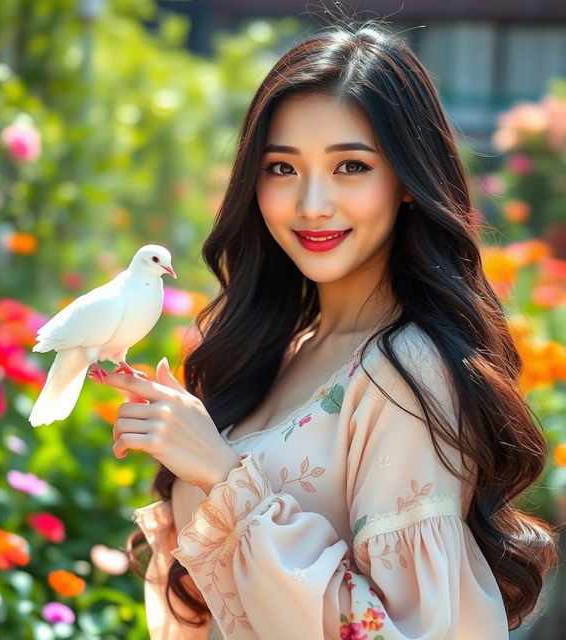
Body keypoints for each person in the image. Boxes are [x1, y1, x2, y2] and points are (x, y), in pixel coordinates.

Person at [101, 18, 558, 640]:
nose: (312, 203)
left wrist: (222, 475)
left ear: (405, 182)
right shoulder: (278, 353)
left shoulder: (405, 372)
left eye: (350, 167)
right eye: (282, 169)